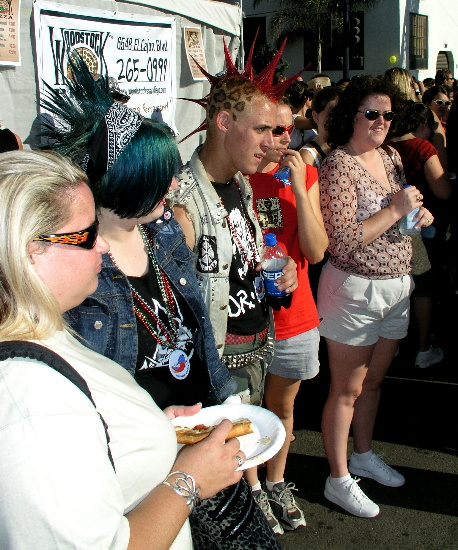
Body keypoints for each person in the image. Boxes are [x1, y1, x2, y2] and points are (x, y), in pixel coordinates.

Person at [40, 61, 281, 550]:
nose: (175, 187)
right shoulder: (77, 278)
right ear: (129, 182)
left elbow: (194, 331)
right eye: (163, 178)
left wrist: (228, 402)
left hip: (206, 432)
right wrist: (155, 433)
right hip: (149, 463)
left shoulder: (166, 232)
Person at [0, 149, 246, 549]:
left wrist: (147, 429)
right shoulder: (30, 402)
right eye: (85, 235)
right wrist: (189, 481)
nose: (101, 247)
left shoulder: (45, 329)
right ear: (30, 252)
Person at [317, 75, 434, 518]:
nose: (381, 121)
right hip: (353, 290)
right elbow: (342, 242)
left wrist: (414, 213)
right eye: (372, 113)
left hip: (396, 286)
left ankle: (362, 454)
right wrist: (395, 210)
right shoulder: (338, 166)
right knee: (345, 390)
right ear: (351, 115)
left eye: (387, 114)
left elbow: (396, 215)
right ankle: (338, 478)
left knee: (374, 383)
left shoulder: (388, 155)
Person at [169, 39, 299, 408]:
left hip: (258, 351)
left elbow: (243, 259)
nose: (271, 143)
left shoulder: (241, 184)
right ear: (223, 121)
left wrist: (282, 265)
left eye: (274, 131)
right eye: (261, 129)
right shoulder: (184, 205)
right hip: (218, 371)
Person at [248, 99, 328, 533]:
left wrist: (299, 187)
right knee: (244, 410)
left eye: (284, 131)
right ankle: (253, 490)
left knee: (281, 408)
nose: (276, 140)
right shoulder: (240, 174)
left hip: (295, 318)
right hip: (245, 319)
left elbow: (316, 252)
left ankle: (276, 481)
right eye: (267, 129)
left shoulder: (305, 174)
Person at [389, 101, 451, 367]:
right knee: (423, 288)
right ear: (423, 125)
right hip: (421, 227)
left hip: (388, 227)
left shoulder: (383, 148)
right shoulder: (422, 147)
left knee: (395, 288)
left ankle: (391, 347)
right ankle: (423, 349)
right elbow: (443, 191)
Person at [300, 86, 342, 170]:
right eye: (331, 114)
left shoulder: (350, 146)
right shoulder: (308, 155)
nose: (337, 118)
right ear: (315, 116)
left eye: (341, 113)